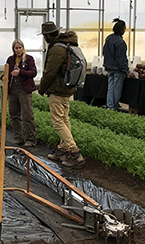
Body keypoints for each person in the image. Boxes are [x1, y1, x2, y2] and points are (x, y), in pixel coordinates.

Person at [38, 21, 85, 168]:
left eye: (45, 36)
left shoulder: (57, 49)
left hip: (57, 90)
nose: (45, 39)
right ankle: (62, 150)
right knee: (64, 119)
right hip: (66, 89)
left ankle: (75, 153)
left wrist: (41, 88)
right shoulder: (67, 45)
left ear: (49, 35)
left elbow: (50, 72)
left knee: (58, 121)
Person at [5, 39, 37, 148]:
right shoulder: (10, 59)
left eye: (20, 47)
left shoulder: (28, 59)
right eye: (16, 48)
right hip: (13, 90)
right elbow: (8, 72)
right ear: (13, 49)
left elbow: (33, 72)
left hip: (24, 90)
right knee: (14, 114)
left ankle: (30, 139)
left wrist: (20, 72)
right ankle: (18, 137)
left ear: (23, 48)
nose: (18, 50)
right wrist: (4, 77)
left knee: (27, 114)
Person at [103, 18, 135, 110]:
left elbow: (104, 52)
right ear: (122, 29)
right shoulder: (120, 42)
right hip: (118, 69)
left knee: (111, 87)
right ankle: (115, 105)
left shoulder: (109, 38)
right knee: (117, 87)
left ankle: (110, 106)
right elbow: (121, 59)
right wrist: (127, 71)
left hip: (109, 67)